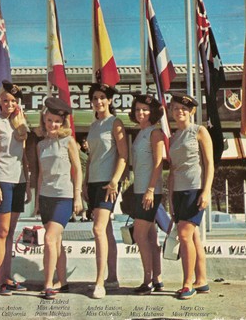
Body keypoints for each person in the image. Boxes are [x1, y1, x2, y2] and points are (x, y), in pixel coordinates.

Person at [0, 80, 31, 296]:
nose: (9, 104)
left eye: (13, 100)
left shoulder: (20, 123)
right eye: (5, 100)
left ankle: (8, 276)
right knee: (1, 231)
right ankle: (0, 279)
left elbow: (23, 156)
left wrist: (28, 183)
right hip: (2, 180)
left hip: (19, 180)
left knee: (11, 232)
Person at [168, 92, 214, 300]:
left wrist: (206, 191)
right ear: (171, 111)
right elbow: (173, 170)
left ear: (192, 111)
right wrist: (170, 199)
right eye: (176, 108)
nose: (180, 112)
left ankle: (187, 284)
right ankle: (201, 280)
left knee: (185, 236)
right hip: (178, 191)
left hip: (195, 189)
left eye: (184, 109)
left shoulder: (200, 131)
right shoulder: (174, 137)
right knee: (193, 237)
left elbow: (209, 164)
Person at [36, 97, 82, 300]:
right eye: (49, 120)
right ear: (44, 120)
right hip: (46, 197)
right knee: (56, 241)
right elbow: (40, 174)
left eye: (57, 121)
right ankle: (62, 282)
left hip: (64, 196)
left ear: (62, 122)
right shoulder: (41, 145)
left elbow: (78, 170)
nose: (53, 124)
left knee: (49, 239)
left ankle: (47, 284)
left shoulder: (68, 141)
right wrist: (37, 200)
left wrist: (78, 196)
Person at [84, 83, 128, 299]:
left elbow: (123, 155)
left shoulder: (115, 123)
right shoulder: (94, 126)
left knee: (98, 230)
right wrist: (84, 183)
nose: (98, 101)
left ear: (110, 100)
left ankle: (99, 282)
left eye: (102, 97)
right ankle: (112, 277)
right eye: (95, 98)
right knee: (106, 231)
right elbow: (91, 157)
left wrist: (114, 181)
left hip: (108, 183)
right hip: (93, 182)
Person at [128, 94, 165, 295]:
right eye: (137, 109)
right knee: (151, 237)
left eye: (145, 109)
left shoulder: (155, 133)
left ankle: (147, 280)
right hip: (139, 190)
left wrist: (150, 190)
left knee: (139, 235)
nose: (140, 113)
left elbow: (159, 164)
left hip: (149, 191)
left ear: (153, 112)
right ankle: (157, 279)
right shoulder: (140, 133)